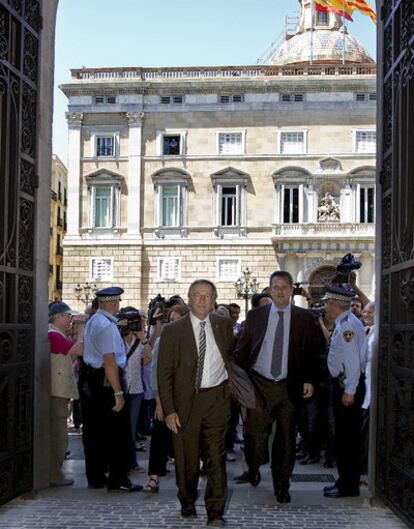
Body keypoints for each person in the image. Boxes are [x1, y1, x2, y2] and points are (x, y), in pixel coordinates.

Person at [235, 270, 323, 503]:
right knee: (255, 437)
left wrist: (310, 380)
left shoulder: (305, 318)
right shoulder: (256, 316)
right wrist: (241, 382)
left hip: (289, 387)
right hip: (259, 385)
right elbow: (242, 351)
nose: (281, 291)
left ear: (292, 290)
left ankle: (282, 485)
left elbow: (315, 353)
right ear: (270, 290)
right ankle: (253, 466)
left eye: (285, 286)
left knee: (285, 440)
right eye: (276, 287)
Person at [158, 279, 234, 526]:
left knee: (215, 456)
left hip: (217, 400)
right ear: (189, 299)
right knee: (187, 460)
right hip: (184, 403)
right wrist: (169, 409)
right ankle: (187, 499)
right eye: (197, 295)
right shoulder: (172, 331)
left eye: (207, 296)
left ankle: (215, 512)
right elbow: (164, 373)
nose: (202, 300)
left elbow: (232, 360)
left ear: (214, 301)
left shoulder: (224, 326)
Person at [82, 286, 142, 492]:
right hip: (107, 381)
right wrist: (118, 394)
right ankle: (118, 478)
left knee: (95, 432)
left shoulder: (93, 321)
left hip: (92, 379)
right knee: (118, 433)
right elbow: (109, 361)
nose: (119, 306)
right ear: (113, 303)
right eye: (118, 303)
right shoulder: (107, 326)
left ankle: (96, 476)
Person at [322, 282, 368, 498]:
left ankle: (348, 485)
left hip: (346, 387)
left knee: (347, 440)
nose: (325, 308)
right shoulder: (346, 322)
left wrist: (349, 390)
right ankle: (345, 481)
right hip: (344, 385)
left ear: (335, 304)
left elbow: (351, 362)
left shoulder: (347, 326)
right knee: (345, 438)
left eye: (328, 303)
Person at [143, 303, 189, 494]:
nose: (174, 324)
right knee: (159, 437)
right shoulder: (163, 341)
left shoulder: (192, 340)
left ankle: (186, 479)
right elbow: (155, 372)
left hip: (187, 398)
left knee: (185, 440)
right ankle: (154, 477)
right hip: (166, 396)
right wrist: (159, 402)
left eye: (178, 320)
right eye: (171, 320)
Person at [48, 301, 83, 486]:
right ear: (58, 317)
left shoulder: (56, 334)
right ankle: (54, 474)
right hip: (57, 392)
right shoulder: (54, 335)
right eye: (68, 316)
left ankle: (54, 472)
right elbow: (79, 350)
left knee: (58, 433)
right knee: (59, 436)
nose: (70, 320)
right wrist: (82, 330)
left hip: (58, 390)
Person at [117, 306, 152, 474]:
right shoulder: (116, 339)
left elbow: (149, 358)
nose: (131, 326)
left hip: (136, 389)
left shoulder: (139, 342)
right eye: (128, 322)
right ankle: (117, 462)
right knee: (118, 428)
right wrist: (118, 330)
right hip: (119, 389)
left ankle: (131, 463)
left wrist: (143, 339)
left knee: (131, 427)